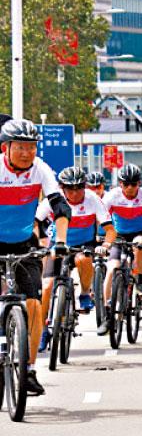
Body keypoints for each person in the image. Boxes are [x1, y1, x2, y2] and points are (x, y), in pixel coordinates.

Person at [0, 120, 70, 395]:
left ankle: (28, 370)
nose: (27, 152)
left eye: (32, 147)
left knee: (34, 305)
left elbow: (60, 206)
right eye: (21, 147)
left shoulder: (40, 169)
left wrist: (61, 242)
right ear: (6, 148)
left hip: (24, 242)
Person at [37, 167, 114, 342]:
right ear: (61, 187)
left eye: (79, 187)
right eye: (69, 188)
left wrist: (106, 245)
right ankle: (42, 330)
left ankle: (86, 293)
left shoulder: (92, 199)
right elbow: (34, 223)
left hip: (84, 244)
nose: (74, 192)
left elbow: (110, 229)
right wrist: (37, 244)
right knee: (47, 286)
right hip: (59, 245)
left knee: (83, 259)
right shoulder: (54, 199)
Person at [99, 163, 142, 335]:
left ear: (140, 184)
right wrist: (99, 238)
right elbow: (100, 216)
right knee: (112, 268)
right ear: (120, 184)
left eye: (134, 184)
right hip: (118, 235)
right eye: (126, 184)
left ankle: (140, 281)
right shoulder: (112, 196)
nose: (130, 188)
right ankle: (107, 313)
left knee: (140, 243)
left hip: (140, 232)